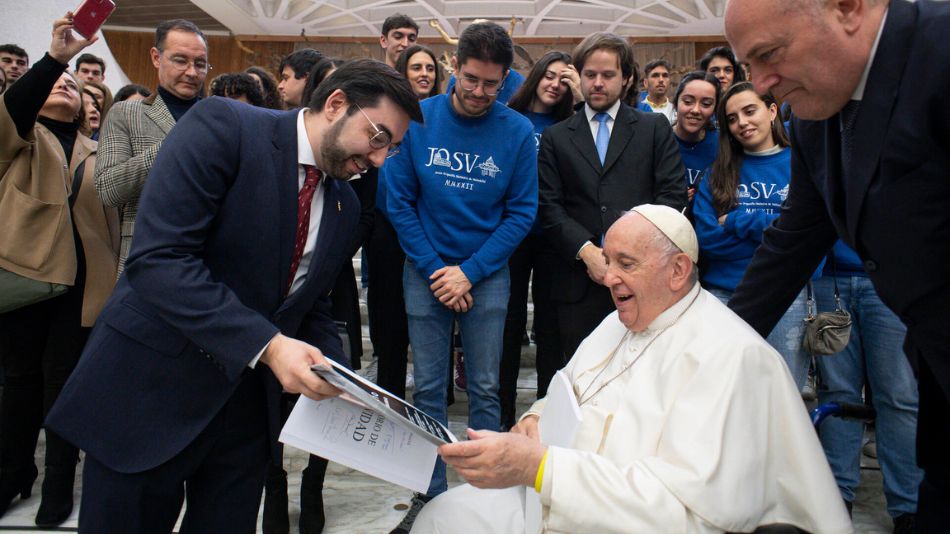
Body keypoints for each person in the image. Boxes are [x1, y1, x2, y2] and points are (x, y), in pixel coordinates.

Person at [46, 59, 421, 534]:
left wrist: (344, 380)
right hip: (149, 395)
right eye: (379, 137)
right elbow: (162, 260)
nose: (380, 159)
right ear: (336, 104)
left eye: (393, 148)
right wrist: (269, 345)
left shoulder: (344, 204)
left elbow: (307, 304)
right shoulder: (226, 126)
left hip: (243, 418)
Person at [410, 205, 851, 534]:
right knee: (444, 515)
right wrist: (533, 419)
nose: (607, 276)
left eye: (626, 263)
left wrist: (541, 468)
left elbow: (687, 512)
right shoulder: (615, 323)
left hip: (620, 520)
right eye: (607, 260)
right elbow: (565, 393)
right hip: (561, 502)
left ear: (678, 270)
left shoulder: (731, 355)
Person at [723, 1, 949, 528]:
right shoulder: (813, 118)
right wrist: (708, 341)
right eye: (747, 66)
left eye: (769, 55)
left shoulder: (939, 51)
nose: (759, 85)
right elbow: (792, 241)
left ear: (846, 8)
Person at [385, 21, 537, 533]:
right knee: (427, 389)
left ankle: (485, 502)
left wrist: (469, 273)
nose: (478, 92)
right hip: (424, 270)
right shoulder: (419, 119)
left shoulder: (515, 131)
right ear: (455, 67)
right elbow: (398, 201)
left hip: (486, 274)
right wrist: (437, 270)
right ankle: (429, 497)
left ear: (505, 80)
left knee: (488, 389)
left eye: (491, 84)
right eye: (470, 79)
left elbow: (521, 212)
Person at [0, 14, 119, 527]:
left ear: (92, 111)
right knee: (19, 382)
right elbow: (14, 109)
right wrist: (56, 58)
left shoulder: (99, 152)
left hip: (83, 287)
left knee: (64, 387)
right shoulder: (20, 140)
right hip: (25, 280)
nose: (66, 87)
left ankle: (57, 486)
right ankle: (12, 475)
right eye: (58, 83)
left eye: (76, 87)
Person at [538, 32, 686, 360]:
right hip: (578, 282)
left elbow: (672, 195)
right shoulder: (556, 137)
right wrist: (587, 252)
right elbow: (549, 205)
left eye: (608, 75)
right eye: (590, 75)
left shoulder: (653, 129)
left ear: (627, 78)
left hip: (644, 280)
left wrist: (630, 254)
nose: (598, 83)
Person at [692, 82, 812, 389]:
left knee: (783, 394)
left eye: (749, 111)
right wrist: (777, 234)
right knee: (724, 391)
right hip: (722, 296)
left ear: (772, 111)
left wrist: (737, 221)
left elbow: (806, 235)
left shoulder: (802, 164)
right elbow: (708, 240)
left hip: (785, 296)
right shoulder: (716, 173)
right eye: (732, 118)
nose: (742, 123)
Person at [814, 241, 921, 532]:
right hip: (830, 278)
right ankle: (836, 499)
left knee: (899, 396)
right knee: (836, 392)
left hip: (894, 280)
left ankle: (908, 507)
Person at [498, 50, 576, 430]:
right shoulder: (510, 117)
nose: (555, 84)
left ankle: (543, 416)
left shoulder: (571, 124)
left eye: (565, 79)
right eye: (550, 75)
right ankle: (502, 414)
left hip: (553, 236)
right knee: (508, 325)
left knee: (549, 328)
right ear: (536, 76)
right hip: (512, 234)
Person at [94, 18, 209, 273]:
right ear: (156, 57)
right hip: (144, 255)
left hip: (210, 259)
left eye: (200, 64)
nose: (192, 72)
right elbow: (109, 189)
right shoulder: (126, 113)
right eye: (181, 60)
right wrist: (175, 144)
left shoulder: (221, 118)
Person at [368, 46, 442, 401]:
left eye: (430, 67)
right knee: (390, 318)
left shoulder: (443, 118)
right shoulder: (383, 114)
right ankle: (391, 393)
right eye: (416, 67)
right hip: (386, 229)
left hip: (430, 232)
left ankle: (437, 396)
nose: (425, 73)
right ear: (402, 73)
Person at [671, 70, 720, 206]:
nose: (696, 110)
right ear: (676, 102)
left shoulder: (722, 144)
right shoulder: (659, 140)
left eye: (706, 104)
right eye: (688, 101)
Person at [637, 59, 675, 123]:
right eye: (655, 75)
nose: (661, 80)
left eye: (665, 76)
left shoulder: (676, 112)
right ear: (646, 83)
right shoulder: (636, 109)